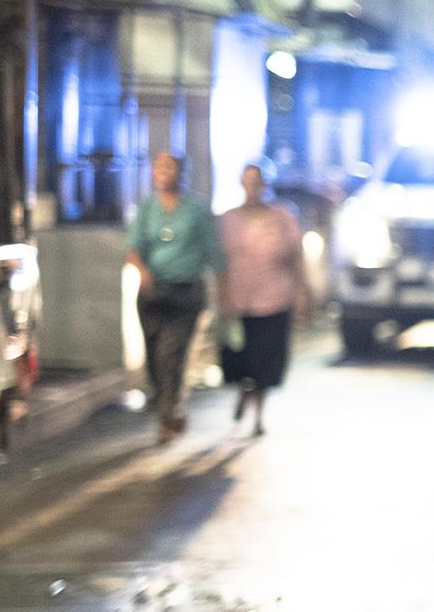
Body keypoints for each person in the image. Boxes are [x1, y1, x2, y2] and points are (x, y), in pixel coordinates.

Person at [126, 153, 222, 444]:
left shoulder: (196, 209)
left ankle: (169, 413)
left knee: (172, 353)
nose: (164, 172)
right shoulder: (146, 209)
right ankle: (166, 401)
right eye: (159, 167)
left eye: (170, 167)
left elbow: (213, 252)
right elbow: (133, 247)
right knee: (155, 355)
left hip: (185, 292)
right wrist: (142, 271)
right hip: (153, 293)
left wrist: (225, 293)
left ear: (181, 172)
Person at [217, 163, 308, 436]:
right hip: (238, 299)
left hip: (274, 299)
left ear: (265, 185)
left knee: (266, 362)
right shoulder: (228, 219)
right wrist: (221, 297)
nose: (253, 186)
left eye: (257, 181)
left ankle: (258, 415)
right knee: (239, 359)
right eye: (248, 181)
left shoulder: (283, 216)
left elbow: (296, 256)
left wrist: (302, 291)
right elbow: (219, 263)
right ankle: (244, 394)